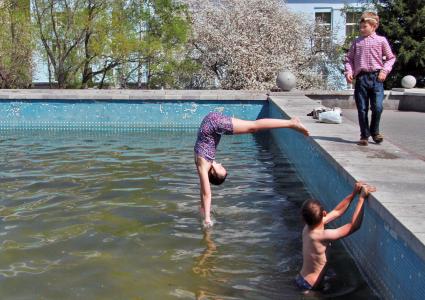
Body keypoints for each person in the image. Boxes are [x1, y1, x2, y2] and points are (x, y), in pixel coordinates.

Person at [194, 112, 309, 229]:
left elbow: (206, 193)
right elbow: (203, 190)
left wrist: (207, 218)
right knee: (249, 127)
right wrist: (203, 208)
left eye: (220, 168)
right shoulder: (203, 166)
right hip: (213, 124)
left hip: (213, 123)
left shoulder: (204, 165)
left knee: (253, 127)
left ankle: (291, 123)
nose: (220, 163)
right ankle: (290, 123)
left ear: (213, 173)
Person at [295, 182, 376, 292]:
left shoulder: (307, 228)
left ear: (304, 219)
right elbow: (353, 226)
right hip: (310, 287)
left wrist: (353, 194)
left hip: (301, 279)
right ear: (324, 213)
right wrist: (361, 199)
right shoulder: (323, 235)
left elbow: (337, 212)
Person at [344, 11, 396, 146]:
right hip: (361, 79)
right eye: (360, 27)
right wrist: (349, 71)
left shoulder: (381, 41)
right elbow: (348, 59)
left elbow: (391, 58)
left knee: (377, 107)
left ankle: (375, 131)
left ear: (374, 26)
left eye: (364, 27)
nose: (361, 29)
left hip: (376, 78)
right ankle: (364, 135)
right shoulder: (356, 42)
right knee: (362, 108)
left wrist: (384, 71)